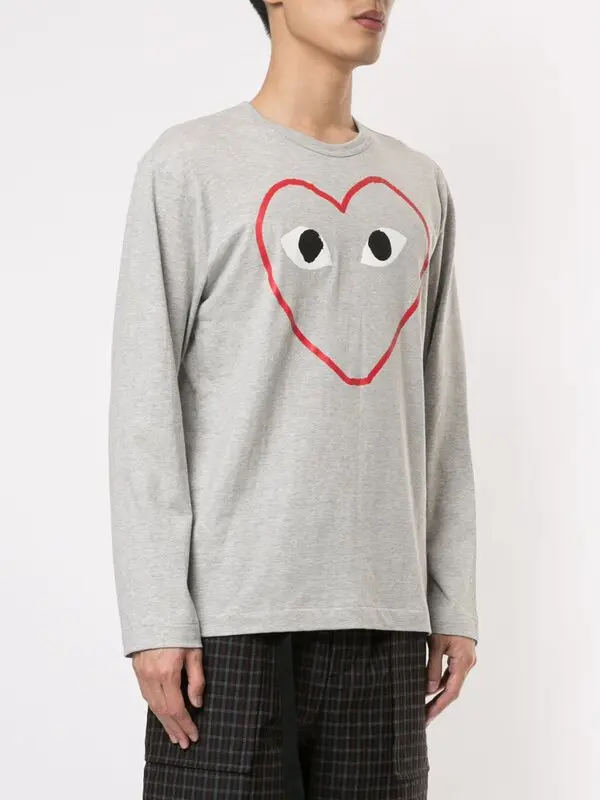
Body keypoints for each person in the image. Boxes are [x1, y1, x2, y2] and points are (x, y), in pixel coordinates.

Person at [108, 1, 478, 797]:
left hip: (384, 621)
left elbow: (440, 404)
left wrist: (453, 599)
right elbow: (144, 405)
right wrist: (155, 615)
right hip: (226, 628)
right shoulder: (188, 167)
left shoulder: (419, 183)